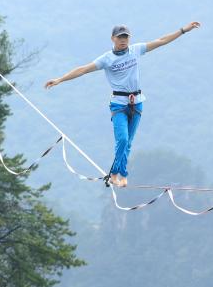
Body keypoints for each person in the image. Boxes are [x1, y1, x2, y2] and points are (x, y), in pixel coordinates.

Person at [44, 21, 201, 188]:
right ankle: (116, 174)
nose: (123, 40)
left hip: (137, 103)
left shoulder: (136, 50)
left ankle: (120, 173)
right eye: (120, 37)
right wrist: (60, 79)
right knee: (123, 139)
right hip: (118, 104)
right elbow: (82, 69)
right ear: (113, 39)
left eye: (126, 37)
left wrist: (184, 30)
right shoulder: (107, 59)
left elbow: (162, 40)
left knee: (129, 142)